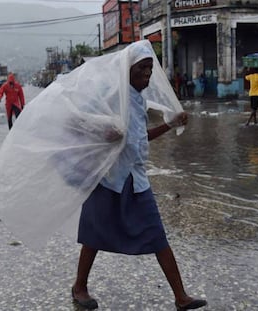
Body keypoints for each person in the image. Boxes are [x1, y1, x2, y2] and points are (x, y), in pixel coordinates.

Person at [71, 43, 207, 310]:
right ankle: (79, 287)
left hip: (135, 178)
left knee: (157, 235)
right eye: (142, 68)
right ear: (127, 70)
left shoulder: (138, 100)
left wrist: (170, 124)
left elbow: (138, 138)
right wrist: (104, 132)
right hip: (108, 178)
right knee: (93, 236)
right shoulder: (110, 96)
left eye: (149, 68)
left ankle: (181, 297)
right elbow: (77, 121)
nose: (147, 73)